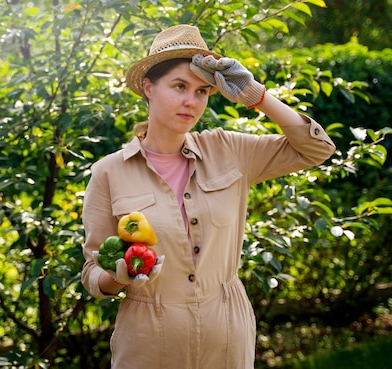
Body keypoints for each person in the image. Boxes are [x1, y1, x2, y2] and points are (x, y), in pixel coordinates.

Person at [81, 24, 336, 369]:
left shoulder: (229, 150)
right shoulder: (109, 172)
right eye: (180, 86)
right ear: (148, 87)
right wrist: (117, 277)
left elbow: (316, 149)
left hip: (227, 338)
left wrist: (256, 95)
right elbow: (92, 273)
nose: (191, 101)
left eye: (202, 91)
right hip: (148, 345)